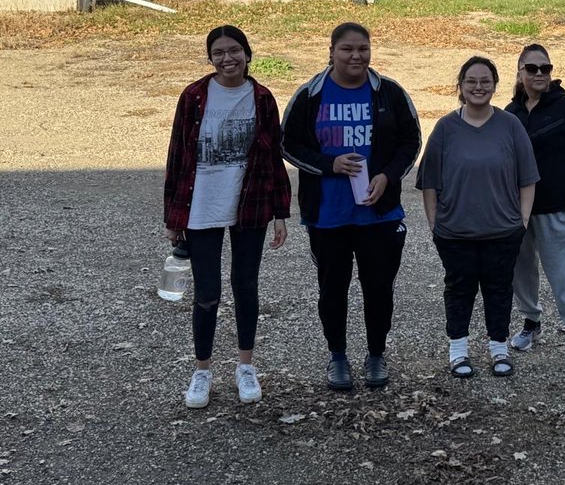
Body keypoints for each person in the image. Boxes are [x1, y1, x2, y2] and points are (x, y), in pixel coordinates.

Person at [281, 23, 422, 390]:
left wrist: (387, 176)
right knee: (332, 289)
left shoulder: (388, 93)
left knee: (378, 288)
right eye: (347, 49)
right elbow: (287, 143)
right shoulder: (311, 94)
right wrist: (330, 165)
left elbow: (411, 141)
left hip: (378, 212)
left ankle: (376, 355)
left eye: (363, 48)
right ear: (331, 51)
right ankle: (338, 357)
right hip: (328, 215)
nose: (356, 56)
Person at [164, 25, 291, 409]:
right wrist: (173, 216)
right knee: (206, 295)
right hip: (200, 204)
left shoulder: (263, 98)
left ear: (248, 54)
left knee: (245, 287)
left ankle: (245, 366)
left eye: (235, 51)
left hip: (249, 204)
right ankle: (202, 370)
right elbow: (176, 154)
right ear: (211, 58)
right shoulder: (194, 96)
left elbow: (274, 158)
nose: (228, 59)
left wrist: (281, 212)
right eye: (219, 52)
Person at [417, 56, 539, 378]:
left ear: (496, 85)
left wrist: (522, 221)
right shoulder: (445, 128)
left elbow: (528, 179)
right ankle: (458, 350)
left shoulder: (510, 126)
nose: (478, 87)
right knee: (459, 290)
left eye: (485, 81)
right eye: (471, 81)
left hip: (503, 231)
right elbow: (429, 182)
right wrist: (434, 224)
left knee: (499, 290)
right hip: (456, 233)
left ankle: (499, 348)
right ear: (460, 86)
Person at [505, 44, 565, 369]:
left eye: (545, 67)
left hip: (558, 209)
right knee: (520, 272)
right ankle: (531, 322)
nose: (540, 74)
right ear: (520, 72)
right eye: (532, 68)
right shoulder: (509, 114)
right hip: (518, 212)